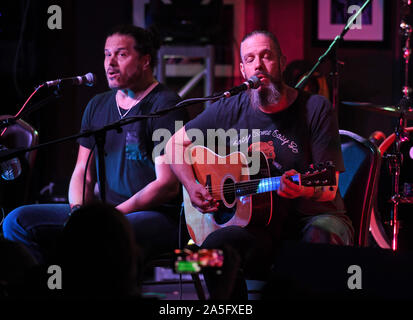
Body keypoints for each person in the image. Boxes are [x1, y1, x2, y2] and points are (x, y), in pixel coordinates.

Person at [166, 30, 354, 299]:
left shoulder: (315, 108)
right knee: (210, 253)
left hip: (312, 216)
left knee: (318, 239)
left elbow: (328, 187)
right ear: (243, 70)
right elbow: (173, 144)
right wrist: (191, 184)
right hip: (259, 225)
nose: (259, 65)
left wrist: (299, 189)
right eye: (250, 59)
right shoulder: (230, 107)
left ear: (281, 61)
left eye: (266, 56)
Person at [2, 25, 189, 270]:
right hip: (105, 214)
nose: (110, 63)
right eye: (106, 54)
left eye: (121, 55)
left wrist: (109, 216)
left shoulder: (166, 105)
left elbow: (166, 185)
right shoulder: (97, 106)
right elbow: (83, 172)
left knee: (103, 236)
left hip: (157, 216)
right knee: (17, 221)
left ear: (145, 60)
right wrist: (78, 211)